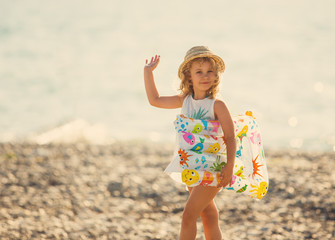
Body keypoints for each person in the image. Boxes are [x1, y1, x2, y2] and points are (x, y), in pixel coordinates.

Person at [144, 46, 236, 240]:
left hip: (212, 167)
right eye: (199, 72)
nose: (205, 76)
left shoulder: (217, 105)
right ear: (189, 75)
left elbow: (230, 137)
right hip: (192, 167)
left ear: (216, 75)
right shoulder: (185, 100)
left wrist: (229, 166)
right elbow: (155, 100)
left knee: (188, 216)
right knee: (208, 215)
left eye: (210, 71)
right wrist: (148, 72)